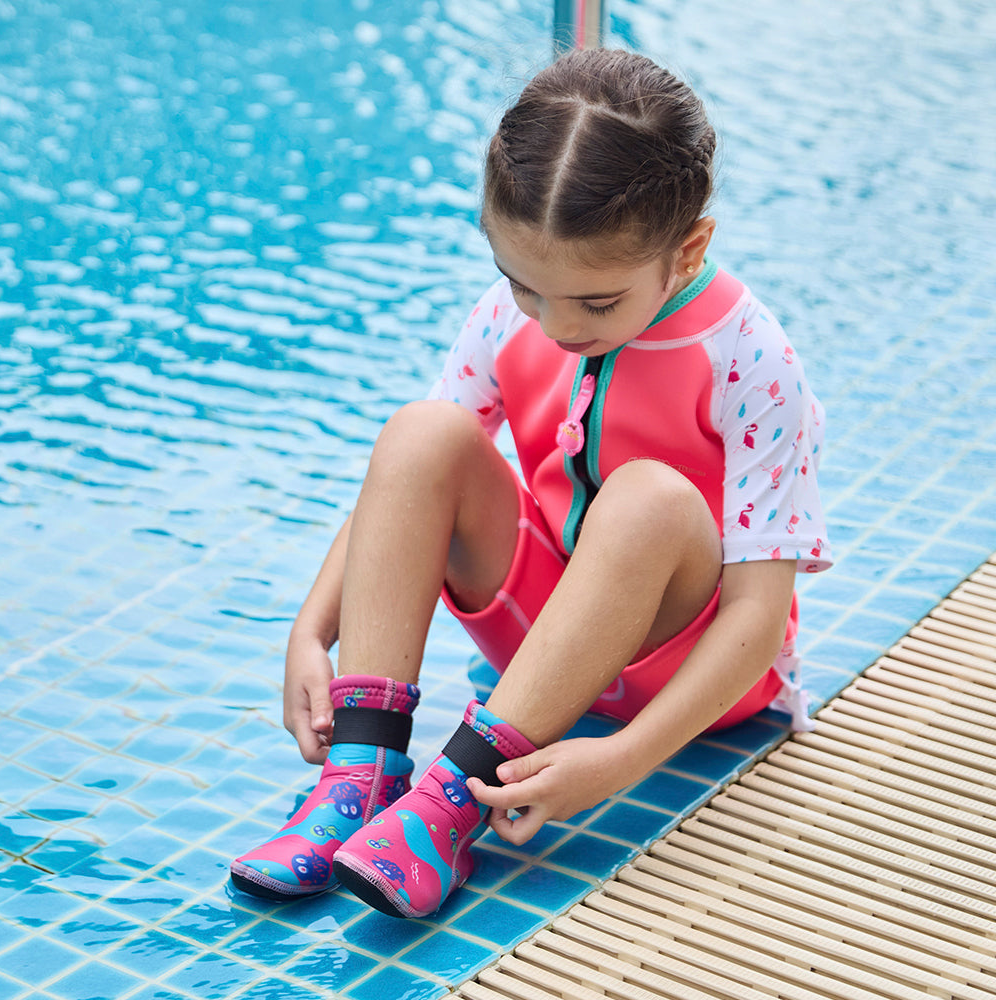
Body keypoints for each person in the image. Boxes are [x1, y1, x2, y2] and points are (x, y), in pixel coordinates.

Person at [230, 47, 832, 919]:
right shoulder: (512, 316)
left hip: (693, 665)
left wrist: (624, 758)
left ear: (689, 247)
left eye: (597, 303)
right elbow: (406, 485)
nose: (555, 326)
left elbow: (758, 615)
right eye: (524, 287)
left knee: (649, 498)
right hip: (543, 646)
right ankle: (360, 775)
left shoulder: (749, 358)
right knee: (424, 429)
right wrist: (311, 629)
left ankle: (448, 809)